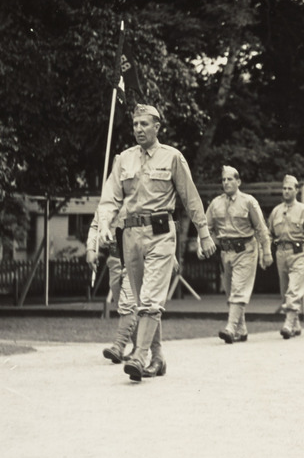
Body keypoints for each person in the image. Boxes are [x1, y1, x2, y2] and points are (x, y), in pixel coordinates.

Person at [96, 104, 216, 381]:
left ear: (157, 127)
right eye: (135, 124)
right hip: (130, 235)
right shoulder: (123, 159)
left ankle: (139, 355)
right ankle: (158, 357)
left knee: (150, 298)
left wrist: (204, 232)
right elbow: (110, 198)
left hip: (162, 233)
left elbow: (190, 197)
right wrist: (104, 225)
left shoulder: (172, 157)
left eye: (144, 124)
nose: (139, 129)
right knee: (143, 301)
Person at [205, 165, 273, 344]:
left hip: (246, 250)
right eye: (224, 180)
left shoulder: (248, 201)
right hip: (225, 252)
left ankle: (230, 328)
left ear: (238, 181)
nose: (226, 183)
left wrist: (266, 251)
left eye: (230, 179)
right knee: (231, 293)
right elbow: (206, 227)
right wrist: (202, 243)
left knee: (238, 290)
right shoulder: (215, 203)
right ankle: (241, 329)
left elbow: (261, 227)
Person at [267, 175, 304, 338]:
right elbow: (268, 233)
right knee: (285, 290)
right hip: (281, 253)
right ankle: (295, 324)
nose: (286, 191)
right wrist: (265, 251)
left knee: (294, 289)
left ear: (296, 190)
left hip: (298, 253)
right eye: (284, 188)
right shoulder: (276, 211)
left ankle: (288, 324)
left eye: (290, 188)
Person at [87, 204, 139, 364]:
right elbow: (95, 227)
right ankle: (137, 347)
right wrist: (91, 250)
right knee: (122, 305)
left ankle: (120, 346)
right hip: (115, 259)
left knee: (128, 304)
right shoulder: (106, 203)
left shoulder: (136, 196)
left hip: (134, 257)